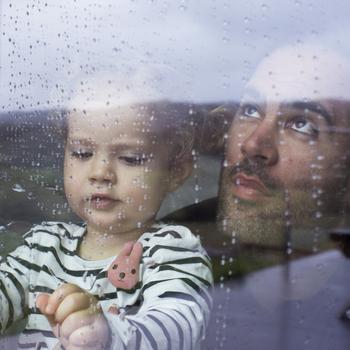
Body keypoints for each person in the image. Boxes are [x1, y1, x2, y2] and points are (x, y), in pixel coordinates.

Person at [0, 76, 213, 349]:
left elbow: (177, 328)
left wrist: (107, 334)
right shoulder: (43, 246)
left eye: (130, 159)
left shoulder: (173, 253)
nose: (100, 172)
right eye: (81, 152)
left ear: (174, 172)